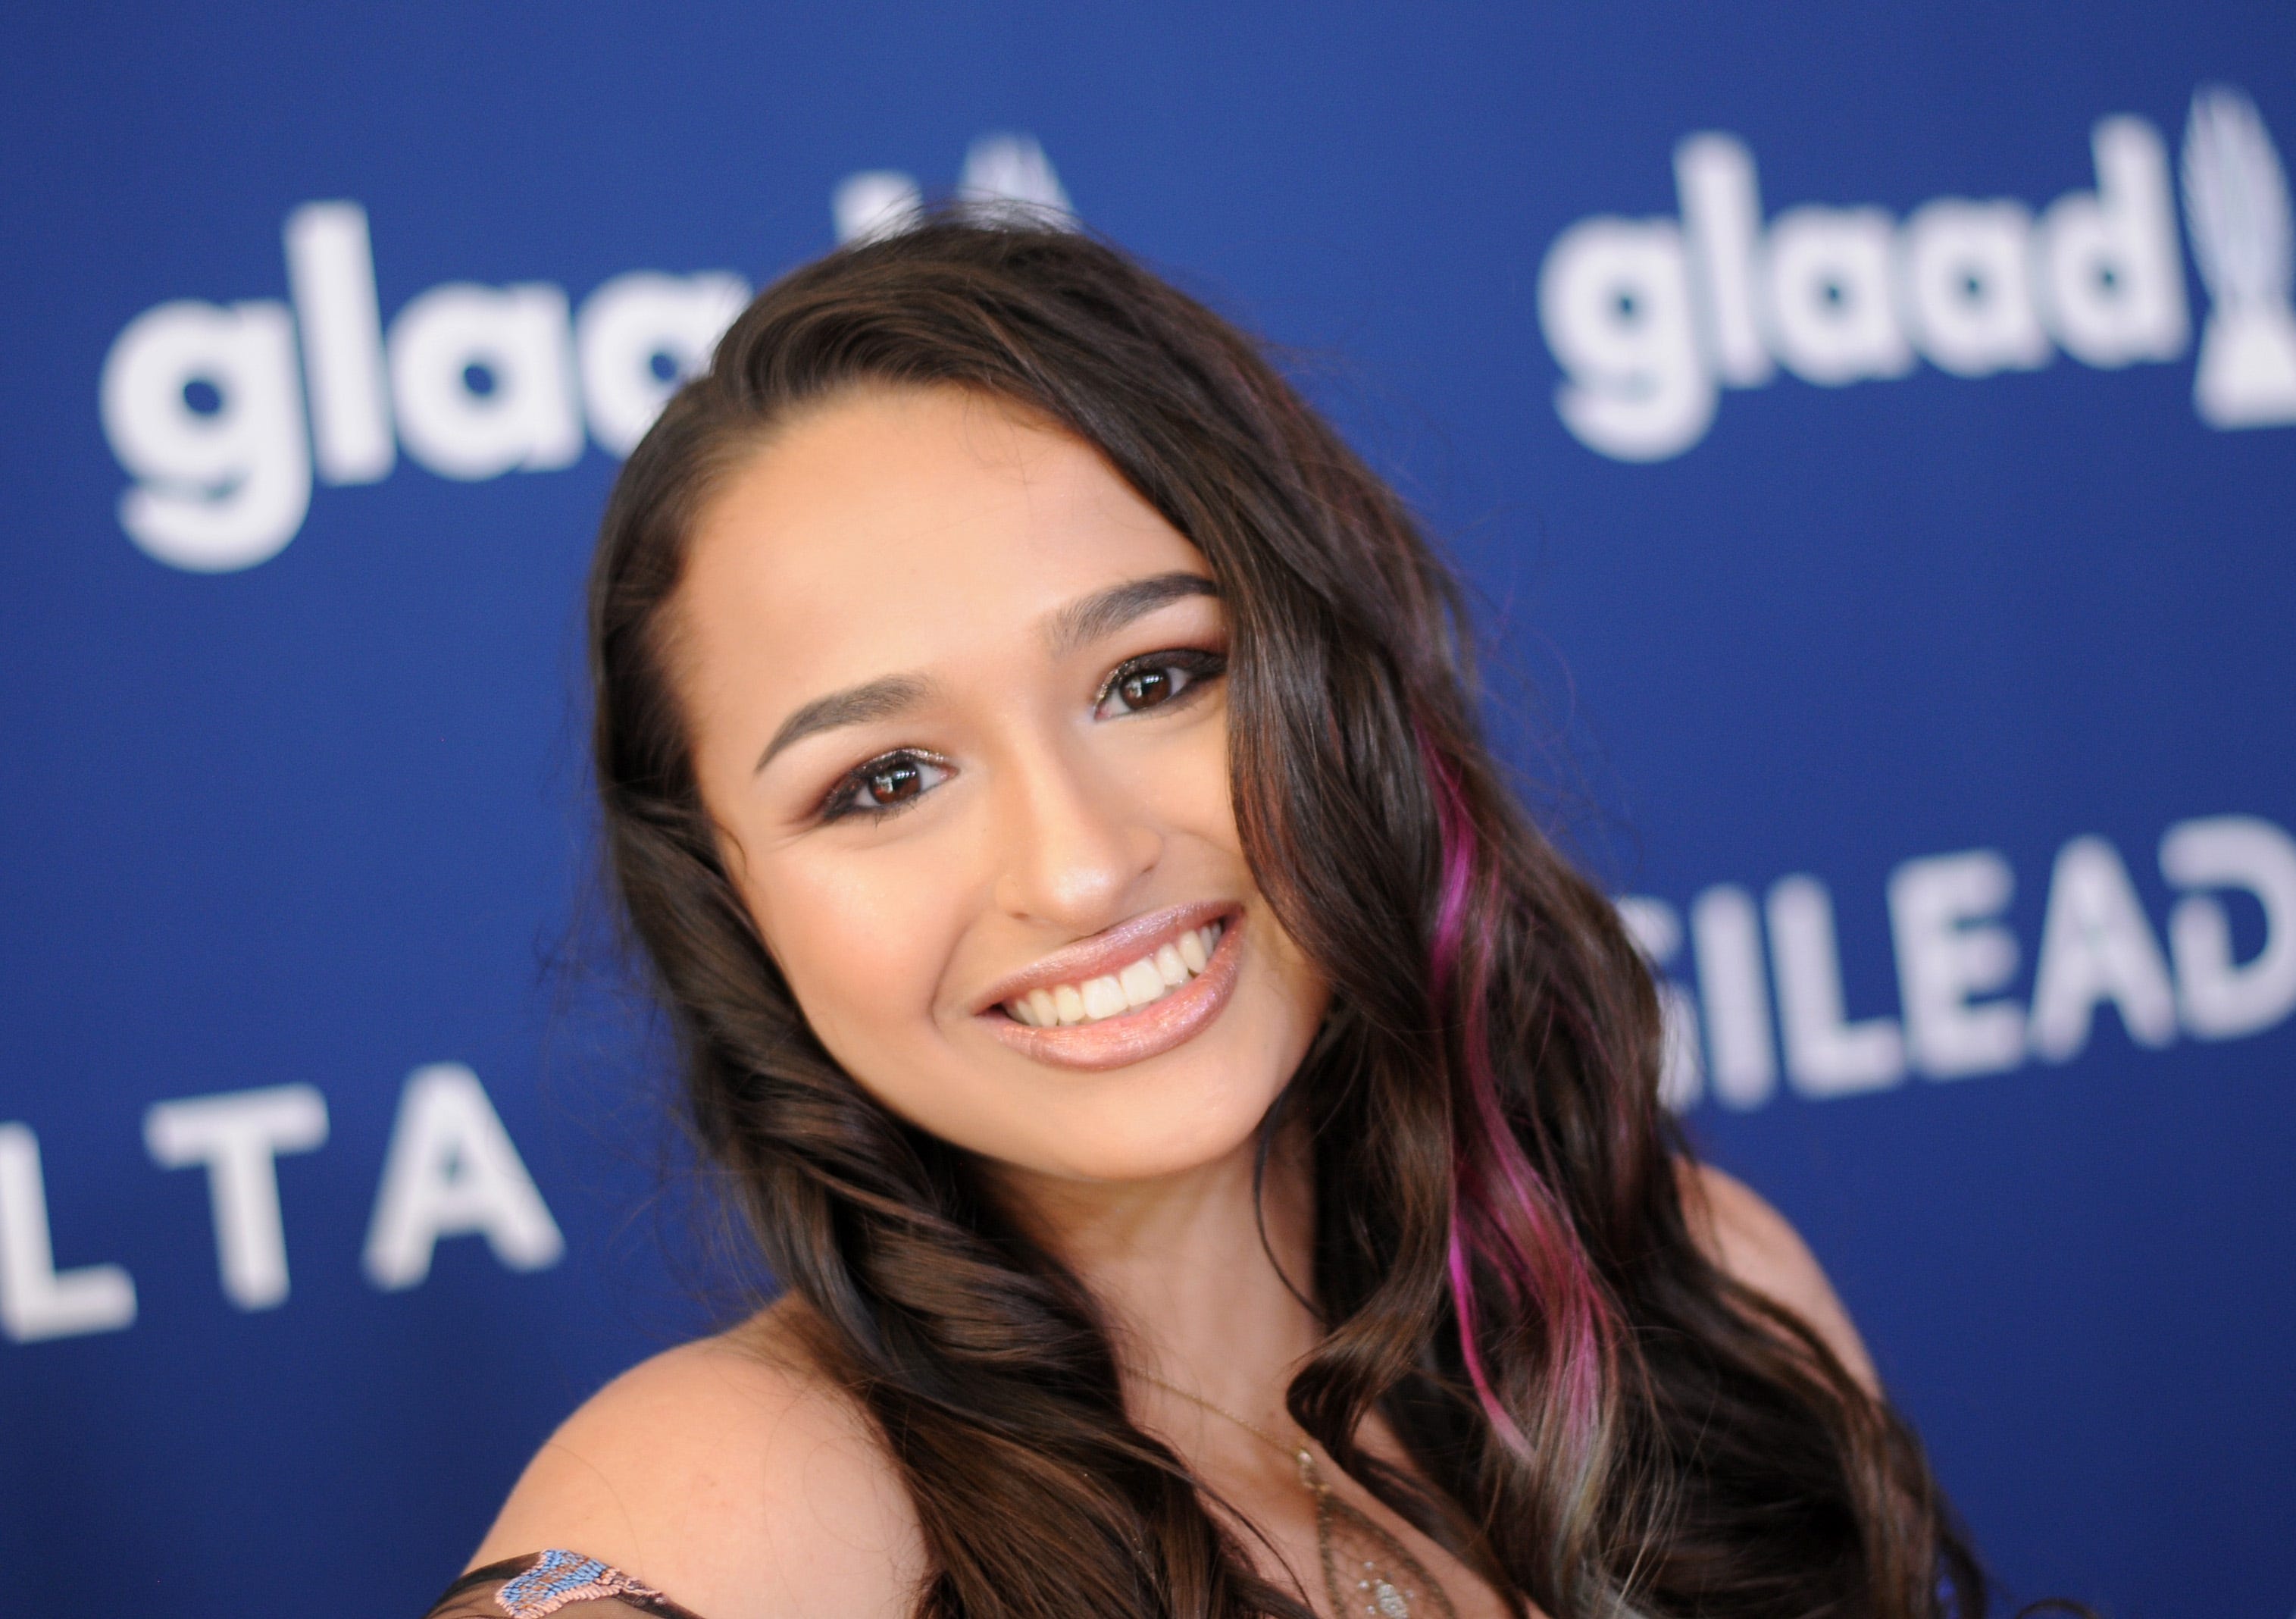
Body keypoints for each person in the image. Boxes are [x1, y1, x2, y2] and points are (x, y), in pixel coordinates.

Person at [421, 215, 1983, 1619]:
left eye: (1154, 679)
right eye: (885, 781)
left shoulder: (1703, 1299)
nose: (1081, 867)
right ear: (727, 897)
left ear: (1342, 684)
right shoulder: (728, 1508)